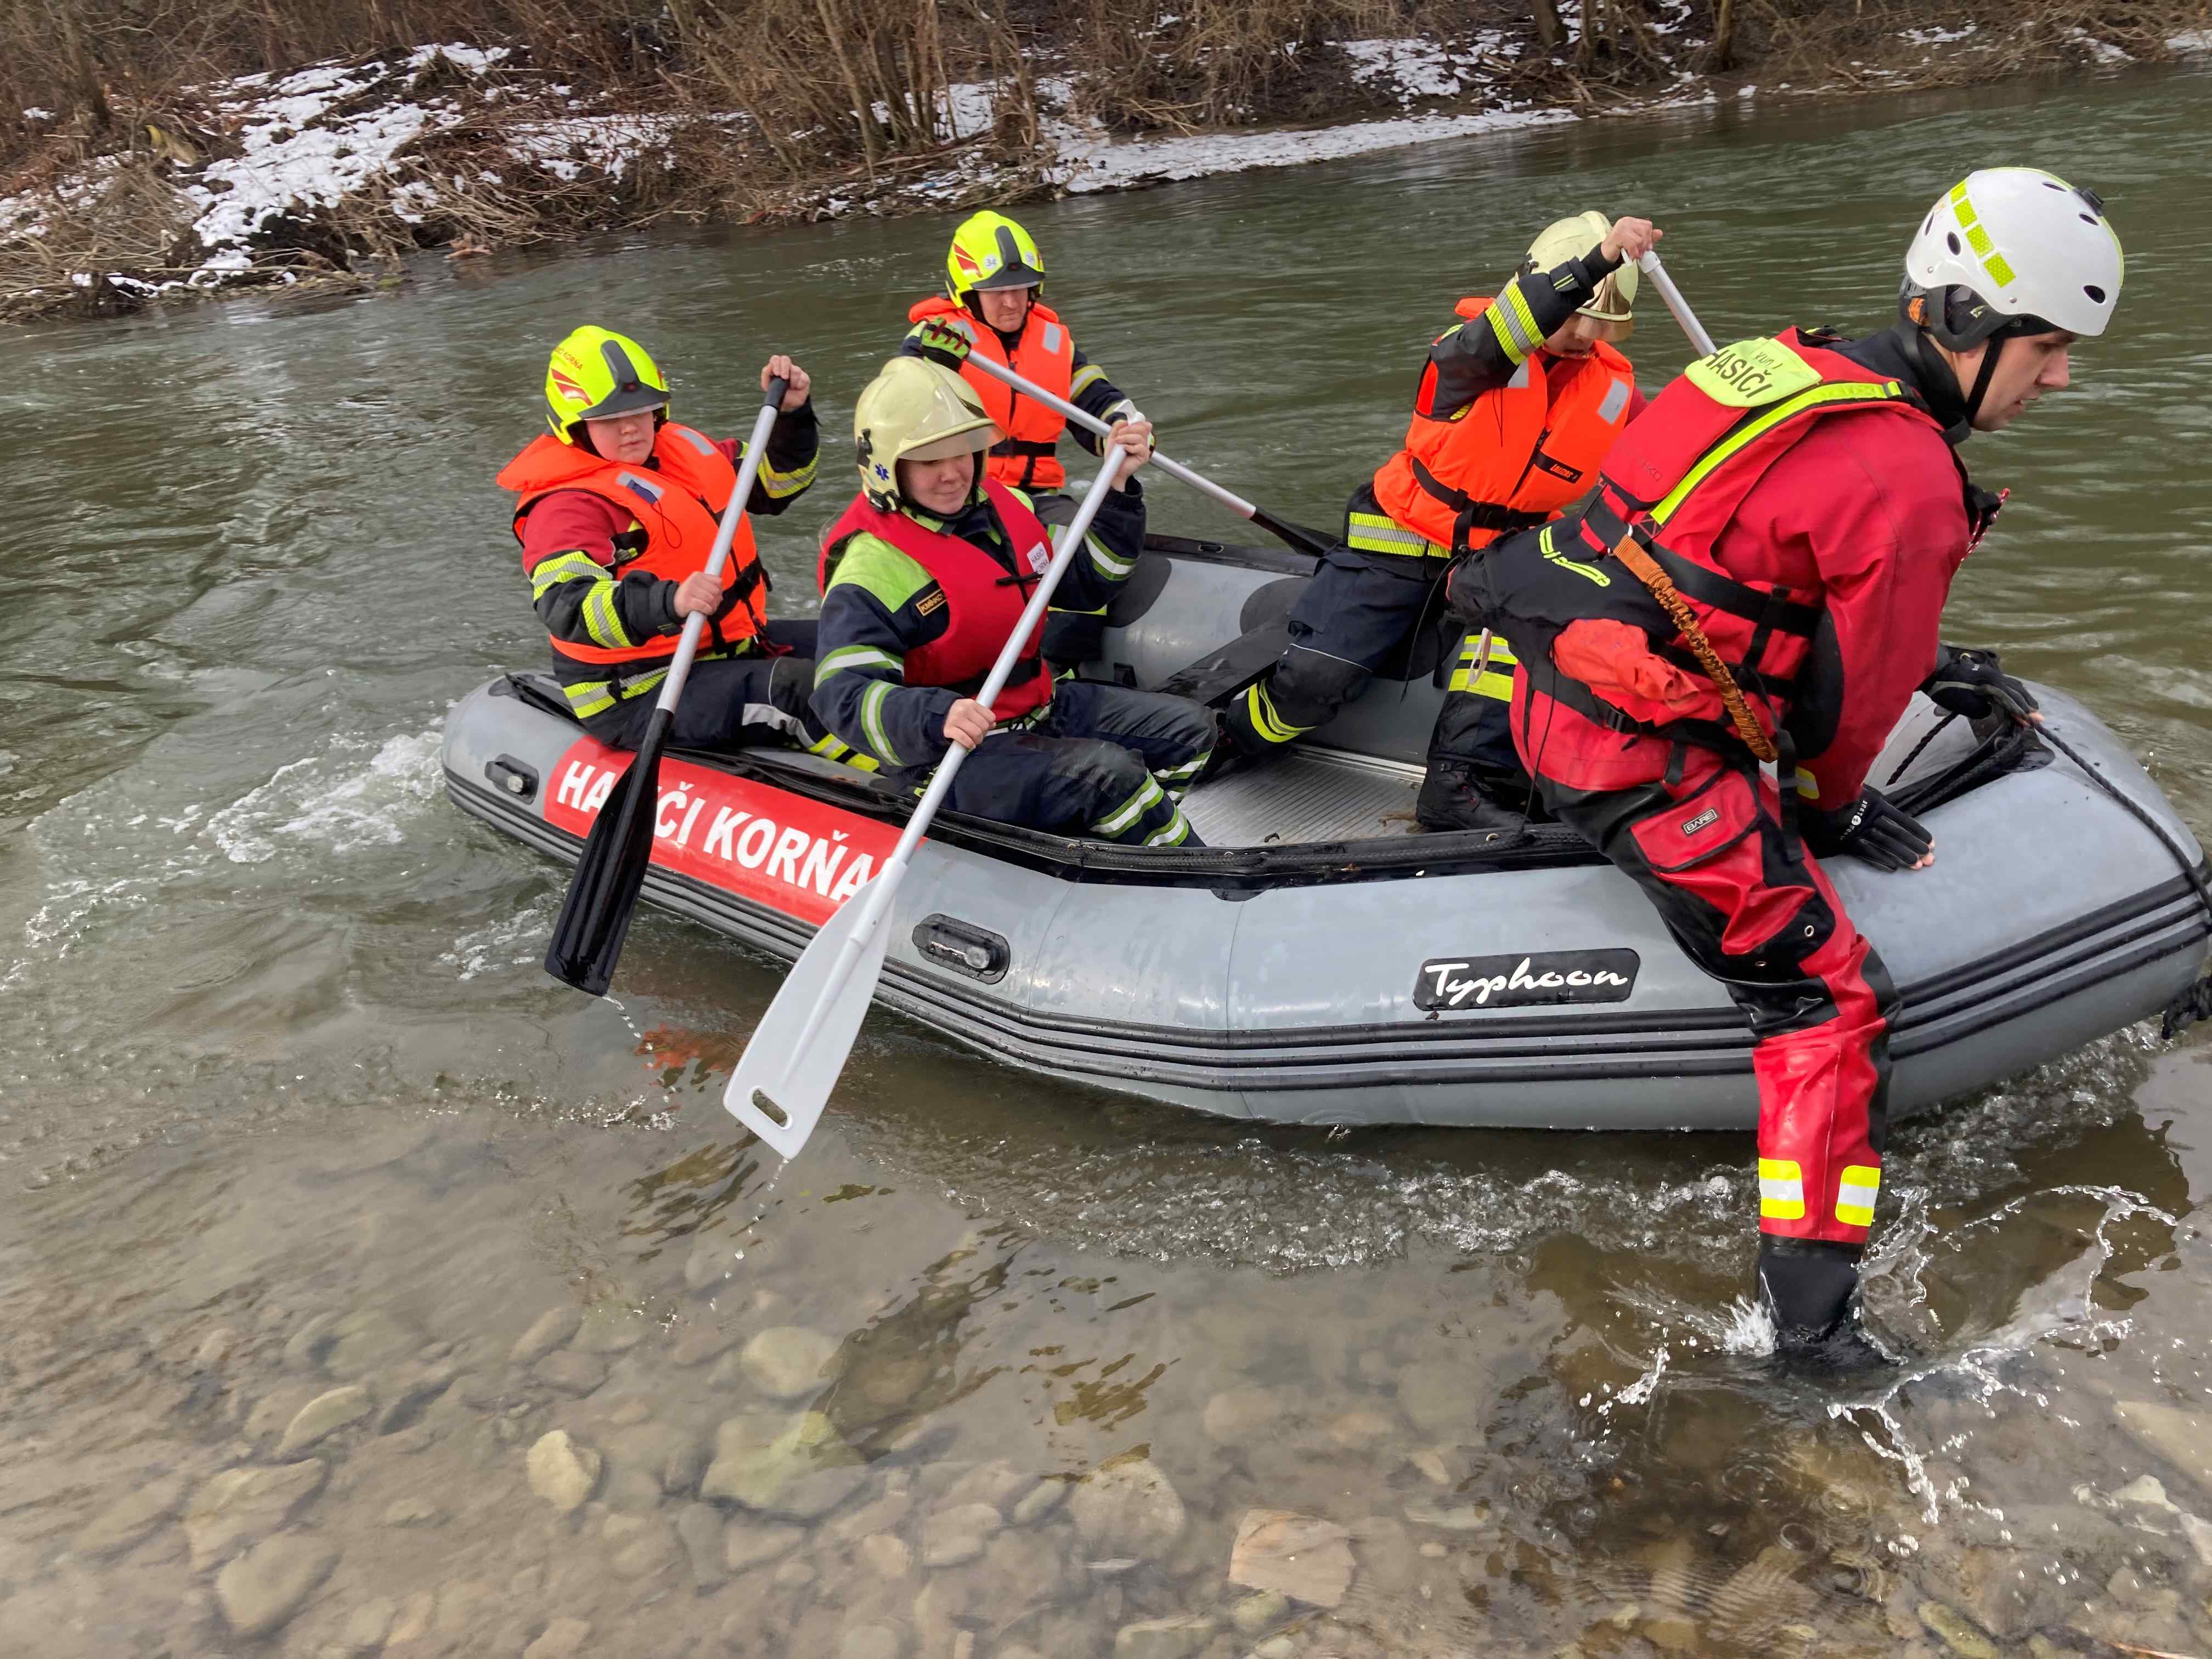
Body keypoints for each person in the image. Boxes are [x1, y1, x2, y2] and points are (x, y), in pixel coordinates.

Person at [1454, 168, 2122, 1362]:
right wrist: (1827, 806)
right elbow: (1852, 708)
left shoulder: (1775, 359)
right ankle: (1811, 1335)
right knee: (1825, 999)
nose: (2061, 377)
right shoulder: (1910, 480)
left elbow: (1714, 555)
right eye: (2048, 348)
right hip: (1631, 752)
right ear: (1967, 325)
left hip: (1550, 690)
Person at [1216, 212, 1656, 839]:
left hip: (1504, 557)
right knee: (1313, 682)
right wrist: (1598, 261)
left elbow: (1677, 437)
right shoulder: (1469, 352)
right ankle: (1231, 739)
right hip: (1398, 544)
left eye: (1602, 323)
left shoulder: (1614, 387)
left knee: (1534, 628)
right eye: (1577, 313)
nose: (1587, 333)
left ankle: (1458, 788)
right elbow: (1504, 332)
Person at [812, 357, 1214, 847]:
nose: (952, 474)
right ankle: (1185, 872)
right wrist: (938, 716)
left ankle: (1115, 840)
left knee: (1190, 731)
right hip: (950, 755)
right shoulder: (870, 568)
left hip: (1037, 707)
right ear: (886, 468)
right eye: (930, 461)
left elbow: (1091, 583)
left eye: (962, 453)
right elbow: (843, 695)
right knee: (1110, 775)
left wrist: (1119, 489)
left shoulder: (1011, 508)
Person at [498, 325, 867, 768]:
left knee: (858, 638)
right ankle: (909, 788)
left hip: (727, 646)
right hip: (642, 688)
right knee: (796, 690)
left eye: (640, 411)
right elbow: (566, 606)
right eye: (610, 419)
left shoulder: (685, 453)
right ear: (575, 425)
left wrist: (792, 416)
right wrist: (668, 601)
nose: (631, 428)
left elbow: (778, 483)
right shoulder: (566, 507)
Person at [903, 210, 1146, 672]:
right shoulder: (936, 340)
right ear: (967, 294)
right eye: (995, 293)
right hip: (959, 497)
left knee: (1092, 554)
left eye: (1020, 289)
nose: (1011, 303)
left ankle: (1063, 668)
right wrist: (930, 369)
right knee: (1038, 556)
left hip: (1035, 497)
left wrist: (1125, 426)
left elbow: (1098, 400)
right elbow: (902, 419)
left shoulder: (1056, 342)